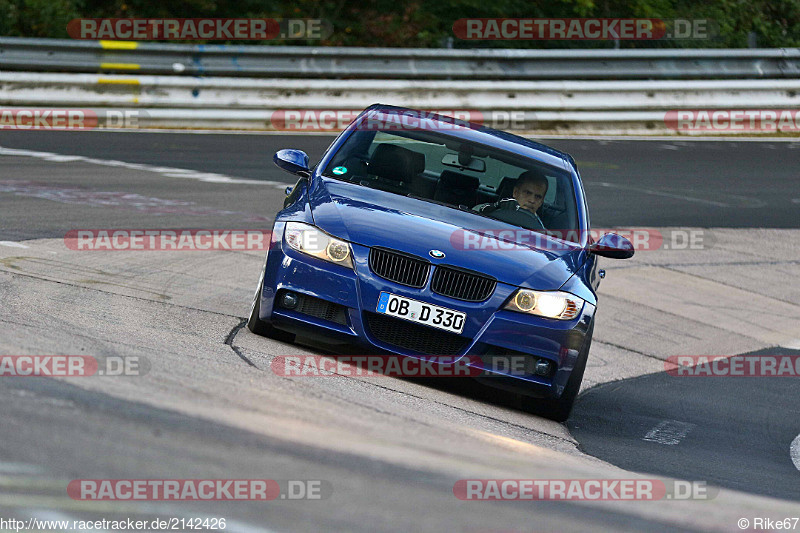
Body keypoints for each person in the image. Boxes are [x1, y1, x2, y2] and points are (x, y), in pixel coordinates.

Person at [474, 169, 548, 230]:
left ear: (541, 202)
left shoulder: (541, 229)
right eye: (527, 193)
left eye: (538, 197)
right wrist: (494, 208)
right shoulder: (490, 208)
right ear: (515, 192)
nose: (532, 200)